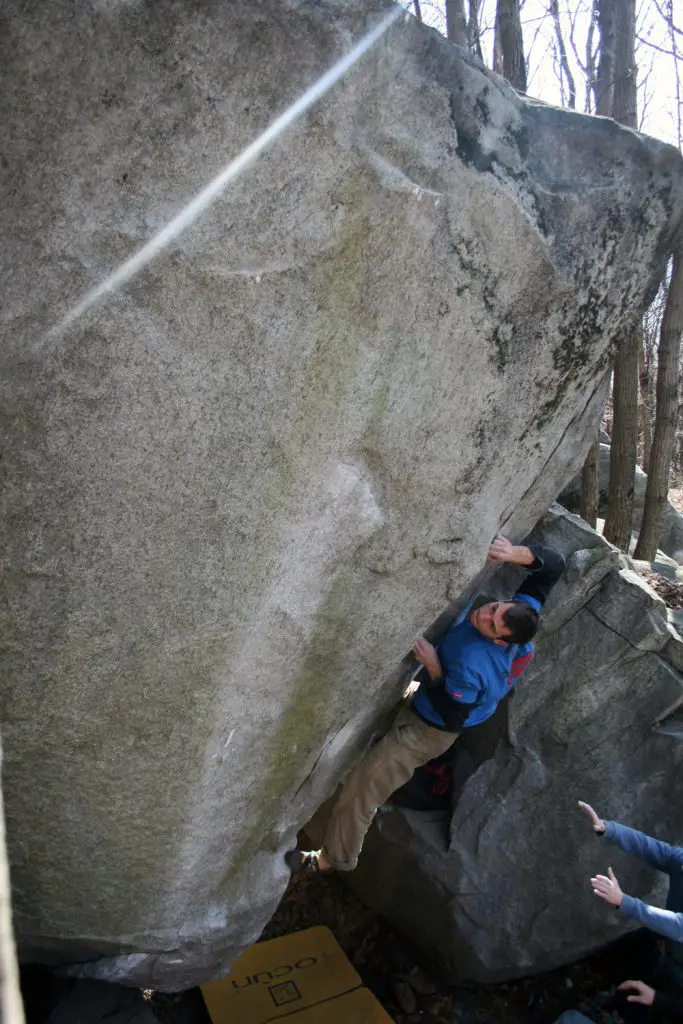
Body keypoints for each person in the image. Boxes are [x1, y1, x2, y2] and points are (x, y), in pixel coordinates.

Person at [285, 535, 566, 874]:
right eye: (494, 608)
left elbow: (452, 713)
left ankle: (333, 860)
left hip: (429, 730)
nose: (484, 616)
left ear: (498, 640)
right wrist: (512, 554)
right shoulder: (521, 619)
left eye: (491, 624)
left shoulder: (471, 663)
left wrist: (433, 666)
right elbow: (553, 568)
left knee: (364, 787)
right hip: (435, 703)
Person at [579, 800, 683, 1020]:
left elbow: (678, 925)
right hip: (669, 953)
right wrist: (608, 829)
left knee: (657, 1007)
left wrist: (624, 901)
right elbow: (652, 848)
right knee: (639, 956)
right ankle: (615, 1004)